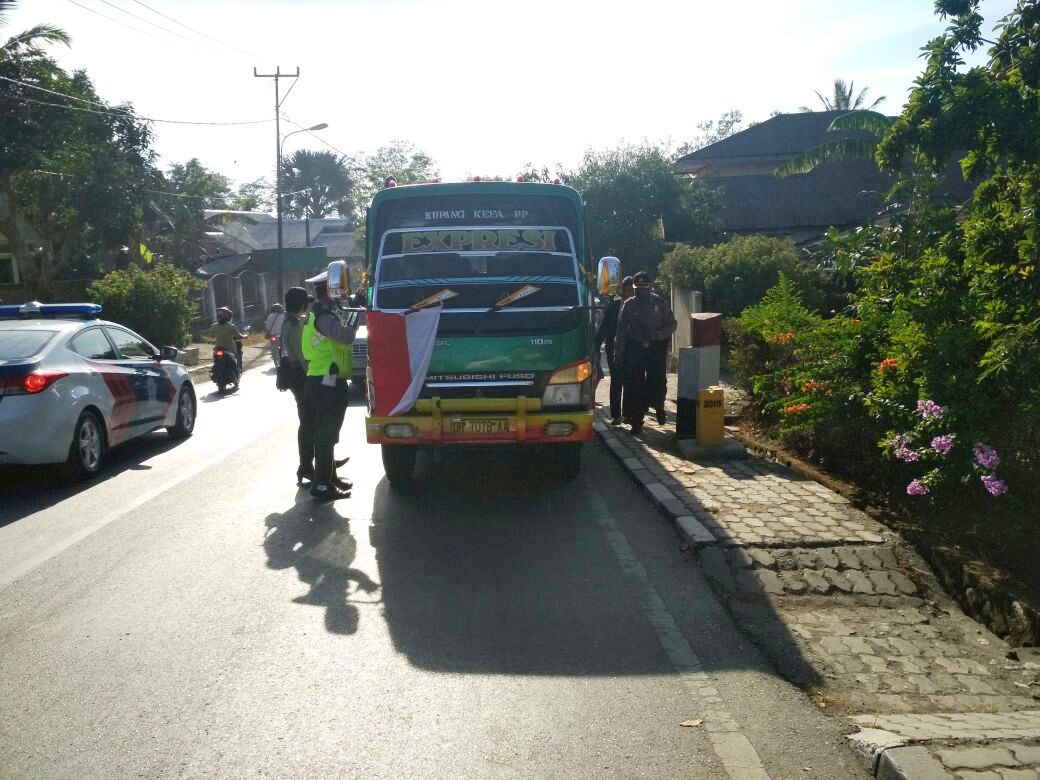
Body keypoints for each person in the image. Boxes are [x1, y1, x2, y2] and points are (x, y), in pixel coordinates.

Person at [301, 272, 360, 501]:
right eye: (338, 289)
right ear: (328, 291)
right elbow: (344, 337)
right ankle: (322, 484)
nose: (342, 293)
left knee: (327, 433)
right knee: (326, 434)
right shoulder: (323, 316)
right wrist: (354, 320)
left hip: (323, 379)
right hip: (326, 382)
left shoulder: (320, 313)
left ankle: (329, 477)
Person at [614, 271, 676, 433]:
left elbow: (672, 324)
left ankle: (659, 406)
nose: (640, 291)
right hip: (636, 348)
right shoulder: (629, 305)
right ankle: (637, 420)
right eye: (637, 288)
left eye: (644, 288)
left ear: (650, 288)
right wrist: (618, 355)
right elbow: (620, 333)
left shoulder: (659, 303)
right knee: (635, 384)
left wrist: (658, 335)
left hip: (656, 348)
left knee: (658, 381)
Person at [594, 276, 634, 425]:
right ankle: (616, 415)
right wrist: (596, 347)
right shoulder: (613, 306)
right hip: (613, 349)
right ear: (622, 291)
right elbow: (604, 328)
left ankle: (628, 414)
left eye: (631, 290)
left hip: (632, 349)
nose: (629, 293)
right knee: (616, 381)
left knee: (630, 381)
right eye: (627, 290)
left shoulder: (638, 307)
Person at [208, 306, 247, 372]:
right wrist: (245, 336)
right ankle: (238, 370)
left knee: (215, 358)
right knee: (237, 355)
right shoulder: (231, 326)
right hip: (229, 348)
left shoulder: (214, 326)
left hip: (218, 348)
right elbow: (238, 337)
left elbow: (211, 336)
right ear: (229, 317)